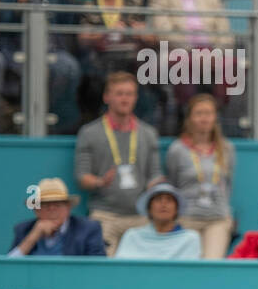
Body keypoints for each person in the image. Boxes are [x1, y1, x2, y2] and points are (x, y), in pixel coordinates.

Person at [0, 0, 81, 133]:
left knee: (70, 68)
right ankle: (36, 121)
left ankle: (56, 122)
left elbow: (65, 24)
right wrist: (19, 5)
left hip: (53, 49)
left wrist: (69, 0)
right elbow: (4, 28)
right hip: (19, 50)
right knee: (43, 71)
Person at [74, 72, 163, 255]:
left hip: (140, 216)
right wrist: (100, 182)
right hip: (105, 215)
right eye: (119, 93)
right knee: (105, 270)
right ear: (107, 97)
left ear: (136, 98)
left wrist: (158, 184)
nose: (125, 99)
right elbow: (82, 177)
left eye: (129, 94)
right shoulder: (89, 133)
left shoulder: (148, 133)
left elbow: (154, 173)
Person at [167, 93, 236, 259]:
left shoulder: (226, 149)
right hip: (187, 218)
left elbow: (228, 184)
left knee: (212, 263)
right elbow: (173, 184)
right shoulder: (177, 149)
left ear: (215, 118)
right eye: (199, 113)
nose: (204, 118)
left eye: (209, 113)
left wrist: (227, 213)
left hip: (217, 219)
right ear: (190, 118)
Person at [7, 177, 105, 256]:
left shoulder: (88, 229)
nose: (52, 211)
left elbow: (97, 268)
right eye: (46, 206)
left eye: (57, 205)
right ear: (36, 210)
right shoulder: (24, 229)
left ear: (68, 208)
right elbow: (9, 267)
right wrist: (33, 236)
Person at [114, 184, 201, 259]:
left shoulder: (190, 238)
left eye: (169, 200)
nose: (164, 204)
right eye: (158, 199)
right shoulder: (132, 235)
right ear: (149, 208)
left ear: (176, 209)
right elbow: (122, 269)